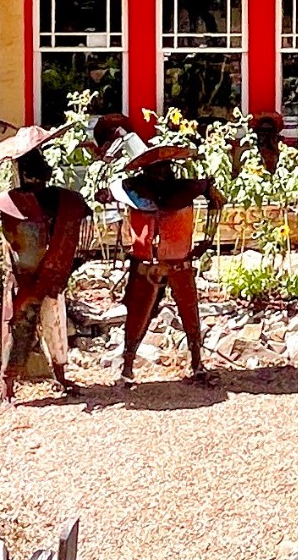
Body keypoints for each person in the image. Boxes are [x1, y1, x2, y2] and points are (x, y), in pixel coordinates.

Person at [95, 121, 223, 384]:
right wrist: (106, 190)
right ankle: (127, 366)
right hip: (144, 263)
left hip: (179, 262)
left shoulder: (189, 188)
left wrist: (206, 241)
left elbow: (217, 202)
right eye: (157, 167)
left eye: (165, 166)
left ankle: (197, 363)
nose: (163, 171)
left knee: (189, 312)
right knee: (137, 314)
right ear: (146, 170)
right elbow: (103, 194)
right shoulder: (128, 189)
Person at [0, 126, 91, 402]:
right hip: (24, 280)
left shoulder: (65, 200)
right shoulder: (10, 201)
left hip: (52, 277)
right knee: (18, 329)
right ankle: (7, 385)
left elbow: (82, 220)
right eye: (29, 168)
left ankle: (58, 376)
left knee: (55, 327)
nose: (34, 175)